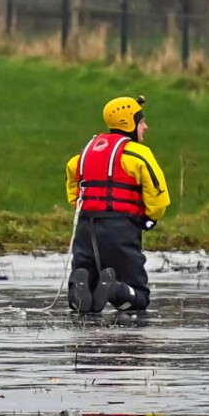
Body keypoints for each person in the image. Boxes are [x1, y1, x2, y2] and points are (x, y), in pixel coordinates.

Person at [65, 95, 169, 313]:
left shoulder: (85, 152)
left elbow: (74, 185)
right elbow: (158, 193)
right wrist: (150, 218)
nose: (146, 127)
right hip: (120, 230)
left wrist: (80, 208)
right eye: (142, 122)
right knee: (139, 298)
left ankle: (79, 283)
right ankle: (115, 290)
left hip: (85, 229)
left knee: (87, 299)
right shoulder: (138, 154)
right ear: (129, 124)